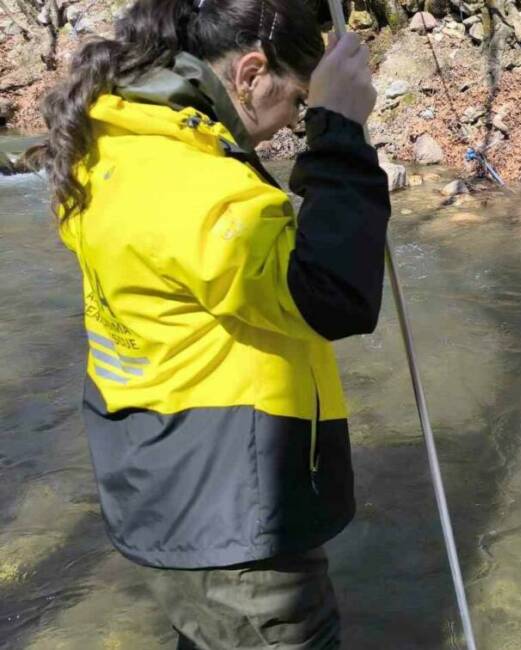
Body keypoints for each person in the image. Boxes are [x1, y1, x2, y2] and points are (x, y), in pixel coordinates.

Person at [34, 0, 388, 646]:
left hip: (178, 484)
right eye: (296, 103)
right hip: (231, 512)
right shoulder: (187, 178)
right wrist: (339, 133)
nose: (289, 127)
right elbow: (334, 296)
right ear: (251, 72)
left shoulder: (125, 142)